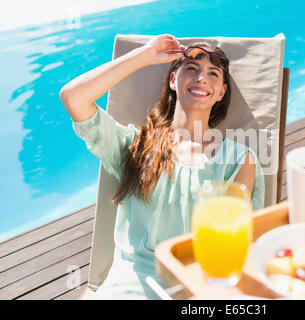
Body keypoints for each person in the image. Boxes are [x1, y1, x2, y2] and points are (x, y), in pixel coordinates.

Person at [59, 34, 265, 299]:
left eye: (213, 73)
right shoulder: (135, 145)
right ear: (172, 80)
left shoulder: (238, 159)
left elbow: (234, 243)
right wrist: (144, 55)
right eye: (191, 68)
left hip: (197, 290)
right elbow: (73, 97)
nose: (202, 77)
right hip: (127, 290)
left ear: (221, 92)